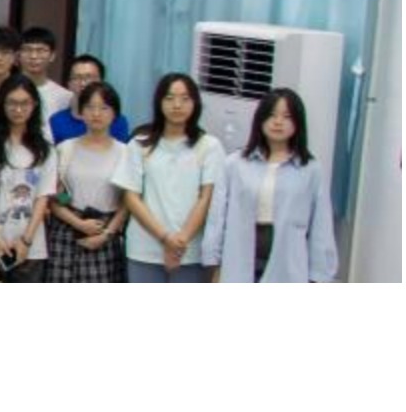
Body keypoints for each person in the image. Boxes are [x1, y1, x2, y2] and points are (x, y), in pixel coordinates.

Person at [205, 89, 339, 282]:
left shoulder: (310, 169)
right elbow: (218, 216)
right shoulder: (235, 163)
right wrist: (213, 259)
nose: (278, 122)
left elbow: (321, 225)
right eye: (272, 115)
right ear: (260, 119)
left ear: (298, 123)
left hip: (288, 258)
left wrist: (320, 275)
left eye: (287, 117)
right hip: (240, 253)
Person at [114, 73, 224, 283]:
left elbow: (206, 198)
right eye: (170, 98)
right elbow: (131, 197)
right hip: (144, 249)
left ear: (195, 103)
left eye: (185, 98)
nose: (177, 105)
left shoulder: (210, 146)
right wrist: (165, 238)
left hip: (189, 251)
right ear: (159, 102)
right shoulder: (139, 144)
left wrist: (179, 242)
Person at [0, 76, 53, 282]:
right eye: (12, 103)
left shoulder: (45, 149)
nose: (18, 109)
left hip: (30, 247)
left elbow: (43, 197)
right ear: (1, 104)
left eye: (25, 103)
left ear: (34, 105)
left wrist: (26, 241)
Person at [46, 81, 129, 282]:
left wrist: (107, 233)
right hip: (65, 231)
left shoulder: (125, 153)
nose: (96, 114)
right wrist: (78, 223)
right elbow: (54, 197)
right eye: (90, 107)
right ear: (81, 111)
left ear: (115, 114)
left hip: (104, 233)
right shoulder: (65, 149)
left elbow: (128, 202)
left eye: (104, 108)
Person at [48, 54, 130, 143]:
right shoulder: (56, 121)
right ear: (69, 84)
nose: (83, 83)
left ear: (101, 82)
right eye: (77, 78)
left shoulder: (117, 121)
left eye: (89, 77)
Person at [18, 27, 73, 117]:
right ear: (18, 54)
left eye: (40, 50)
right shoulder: (5, 90)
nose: (33, 56)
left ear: (52, 55)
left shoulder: (65, 97)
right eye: (27, 50)